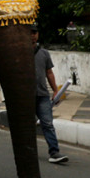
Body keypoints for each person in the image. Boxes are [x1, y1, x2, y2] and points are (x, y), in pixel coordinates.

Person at [32, 24, 67, 164]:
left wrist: (55, 90)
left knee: (47, 123)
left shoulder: (44, 53)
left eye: (34, 32)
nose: (32, 35)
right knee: (28, 125)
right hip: (26, 97)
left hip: (42, 95)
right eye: (30, 33)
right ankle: (29, 151)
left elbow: (49, 73)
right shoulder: (20, 53)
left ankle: (54, 152)